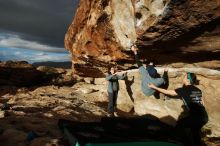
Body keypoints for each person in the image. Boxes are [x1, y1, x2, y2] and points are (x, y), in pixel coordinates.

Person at [148, 72, 208, 146]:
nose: (183, 77)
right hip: (204, 117)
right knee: (194, 132)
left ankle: (182, 142)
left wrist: (154, 87)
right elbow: (203, 103)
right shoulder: (198, 90)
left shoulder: (185, 89)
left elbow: (169, 92)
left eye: (185, 76)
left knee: (180, 124)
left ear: (188, 80)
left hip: (196, 118)